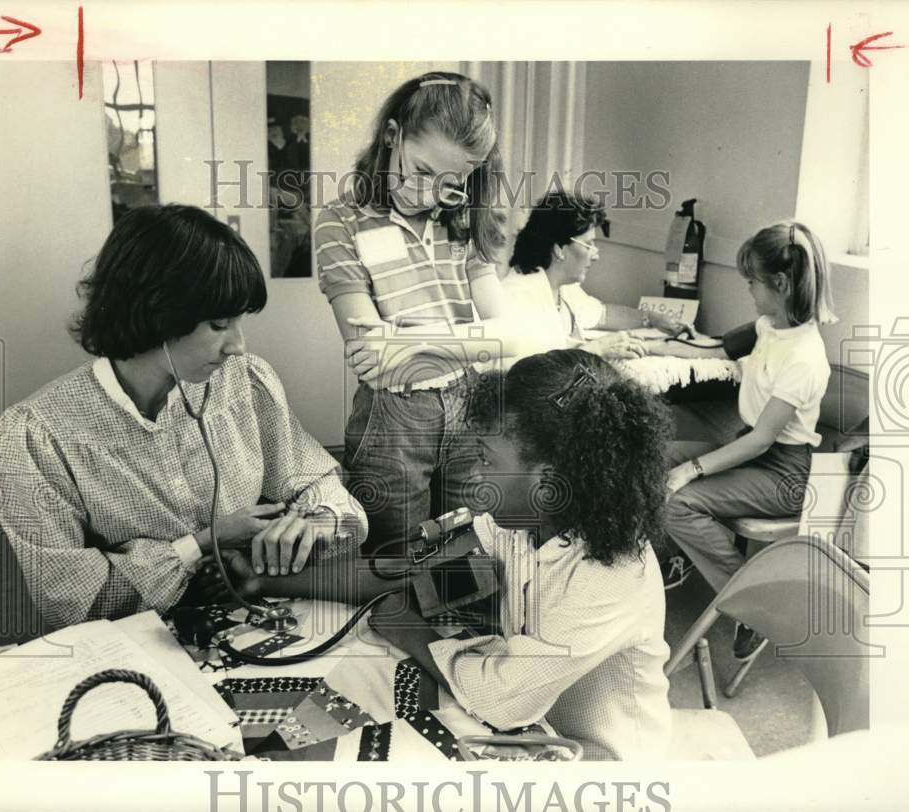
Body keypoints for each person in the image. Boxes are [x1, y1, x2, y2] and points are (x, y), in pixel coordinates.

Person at [234, 350, 673, 760]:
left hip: (602, 766)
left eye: (485, 459)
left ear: (546, 481)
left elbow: (502, 702)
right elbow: (403, 570)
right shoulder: (524, 527)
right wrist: (264, 582)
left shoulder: (608, 577)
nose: (476, 474)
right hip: (533, 729)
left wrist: (413, 634)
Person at [0, 204, 367, 631]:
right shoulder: (37, 435)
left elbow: (321, 485)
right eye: (218, 324)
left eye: (239, 321)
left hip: (256, 620)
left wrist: (315, 522)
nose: (237, 345)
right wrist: (201, 544)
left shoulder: (244, 382)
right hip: (137, 649)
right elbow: (69, 601)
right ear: (157, 313)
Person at [314, 71, 521, 556]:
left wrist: (406, 341)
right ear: (392, 137)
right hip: (394, 422)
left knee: (467, 555)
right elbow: (370, 350)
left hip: (469, 406)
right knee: (397, 562)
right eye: (421, 171)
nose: (429, 194)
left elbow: (512, 336)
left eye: (451, 183)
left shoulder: (465, 222)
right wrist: (470, 338)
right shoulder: (340, 222)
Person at [652, 220, 835, 660]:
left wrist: (691, 470)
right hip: (749, 450)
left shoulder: (805, 358)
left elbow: (762, 442)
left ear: (782, 283)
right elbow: (714, 350)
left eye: (753, 281)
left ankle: (758, 610)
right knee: (651, 453)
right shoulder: (768, 325)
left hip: (781, 472)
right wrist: (655, 347)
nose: (748, 289)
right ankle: (661, 568)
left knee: (677, 501)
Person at [504, 191, 696, 360]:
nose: (596, 255)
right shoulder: (519, 296)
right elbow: (532, 372)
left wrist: (654, 319)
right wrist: (596, 349)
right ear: (559, 249)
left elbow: (602, 315)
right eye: (589, 245)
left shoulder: (562, 288)